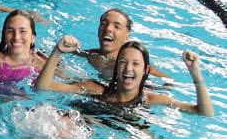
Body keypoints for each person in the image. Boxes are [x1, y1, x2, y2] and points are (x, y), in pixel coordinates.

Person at [36, 39, 213, 116]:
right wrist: (57, 52)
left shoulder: (152, 100)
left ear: (145, 71)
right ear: (116, 69)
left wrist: (195, 73)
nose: (129, 68)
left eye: (136, 64)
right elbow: (43, 88)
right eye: (123, 63)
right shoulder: (94, 89)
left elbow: (204, 112)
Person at [60, 8, 171, 81]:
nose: (108, 29)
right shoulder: (88, 55)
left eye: (116, 27)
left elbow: (169, 82)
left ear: (127, 36)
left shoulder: (134, 64)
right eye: (104, 24)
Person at [0, 9, 55, 92]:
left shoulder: (42, 62)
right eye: (10, 31)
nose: (16, 37)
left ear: (32, 38)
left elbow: (65, 82)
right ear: (4, 36)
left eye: (23, 31)